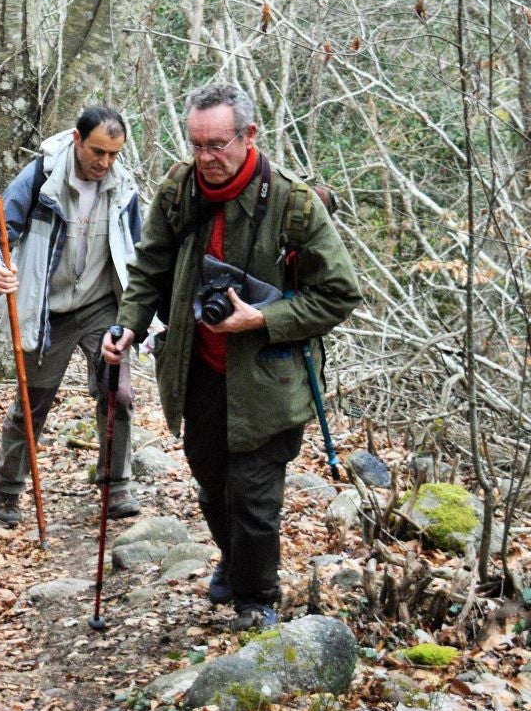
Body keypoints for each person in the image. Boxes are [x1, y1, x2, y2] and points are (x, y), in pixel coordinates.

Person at [102, 81, 362, 631]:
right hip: (198, 369)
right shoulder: (180, 190)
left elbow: (340, 294)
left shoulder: (293, 205)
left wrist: (262, 319)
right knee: (211, 482)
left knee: (255, 496)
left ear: (248, 135)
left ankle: (257, 600)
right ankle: (233, 558)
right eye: (197, 145)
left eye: (217, 145)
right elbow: (149, 266)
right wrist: (128, 324)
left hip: (270, 377)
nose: (206, 158)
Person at [0, 107, 144, 530]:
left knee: (117, 393)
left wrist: (146, 312)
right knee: (33, 402)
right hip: (47, 308)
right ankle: (7, 491)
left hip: (103, 303)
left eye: (114, 154)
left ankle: (116, 483)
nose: (104, 163)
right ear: (76, 139)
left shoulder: (123, 187)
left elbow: (141, 252)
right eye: (98, 151)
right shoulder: (40, 178)